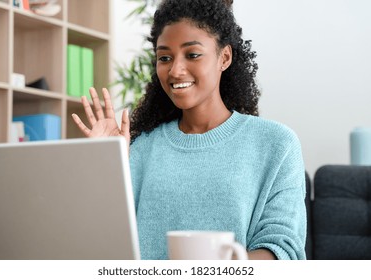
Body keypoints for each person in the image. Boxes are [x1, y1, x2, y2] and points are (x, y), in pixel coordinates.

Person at [72, 0, 306, 260]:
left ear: (224, 57)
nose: (175, 70)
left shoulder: (276, 143)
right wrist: (108, 167)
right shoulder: (140, 147)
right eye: (164, 58)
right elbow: (102, 244)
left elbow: (284, 250)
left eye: (192, 54)